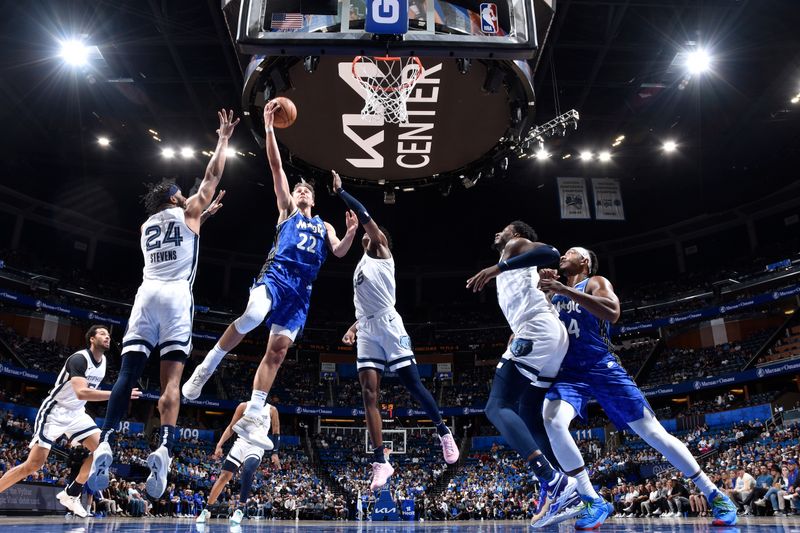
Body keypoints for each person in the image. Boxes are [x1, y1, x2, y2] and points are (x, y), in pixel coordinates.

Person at [182, 99, 357, 448]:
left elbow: (338, 253)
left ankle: (253, 414)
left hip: (300, 293)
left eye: (307, 189)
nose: (302, 190)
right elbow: (277, 168)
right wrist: (268, 129)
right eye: (298, 188)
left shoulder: (324, 226)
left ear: (315, 199)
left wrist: (351, 233)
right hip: (275, 278)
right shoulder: (288, 211)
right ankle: (208, 366)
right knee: (251, 316)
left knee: (276, 352)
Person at [88, 109, 240, 497]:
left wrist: (203, 213)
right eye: (182, 194)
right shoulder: (190, 210)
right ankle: (166, 447)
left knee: (125, 376)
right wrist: (222, 140)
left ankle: (106, 438)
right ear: (176, 197)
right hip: (175, 298)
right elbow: (212, 177)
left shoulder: (146, 225)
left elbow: (184, 223)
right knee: (171, 380)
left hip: (145, 295)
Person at [538, 246, 738, 528]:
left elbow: (613, 312)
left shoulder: (595, 282)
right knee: (552, 420)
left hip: (600, 365)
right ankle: (591, 500)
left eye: (570, 252)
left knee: (652, 432)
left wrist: (564, 289)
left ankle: (714, 494)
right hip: (568, 372)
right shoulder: (554, 293)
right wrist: (543, 290)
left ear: (584, 262)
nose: (563, 255)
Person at [332, 171, 458, 490]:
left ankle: (443, 431)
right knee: (368, 394)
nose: (366, 232)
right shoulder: (360, 267)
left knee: (412, 384)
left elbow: (365, 215)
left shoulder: (381, 250)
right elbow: (365, 307)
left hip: (390, 324)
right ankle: (381, 461)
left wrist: (342, 192)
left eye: (369, 231)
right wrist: (353, 327)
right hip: (369, 328)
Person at [466, 221, 578, 527]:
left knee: (496, 406)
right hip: (547, 334)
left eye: (503, 229)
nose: (497, 232)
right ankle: (561, 490)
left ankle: (554, 480)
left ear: (516, 234)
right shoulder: (514, 259)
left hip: (537, 330)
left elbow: (551, 252)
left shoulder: (513, 247)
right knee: (529, 410)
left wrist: (495, 269)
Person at [0, 325, 140, 517]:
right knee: (33, 465)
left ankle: (71, 493)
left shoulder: (105, 361)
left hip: (76, 413)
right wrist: (118, 394)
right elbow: (82, 392)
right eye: (102, 334)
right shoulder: (79, 358)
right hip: (55, 411)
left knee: (102, 450)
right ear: (91, 338)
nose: (107, 337)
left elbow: (83, 398)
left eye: (108, 335)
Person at [196, 401, 280, 526]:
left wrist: (275, 452)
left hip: (256, 447)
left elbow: (276, 431)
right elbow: (231, 427)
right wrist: (219, 445)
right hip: (241, 444)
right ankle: (206, 509)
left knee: (247, 470)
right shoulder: (244, 406)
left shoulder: (271, 409)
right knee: (224, 476)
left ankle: (240, 509)